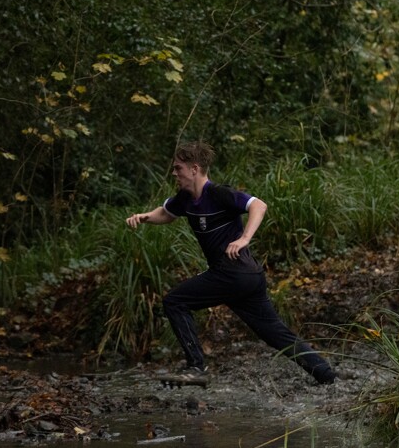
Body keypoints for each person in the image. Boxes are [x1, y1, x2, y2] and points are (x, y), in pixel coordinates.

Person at [125, 141, 337, 385]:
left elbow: (258, 205)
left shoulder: (218, 194)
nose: (174, 173)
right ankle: (326, 375)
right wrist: (144, 217)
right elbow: (165, 213)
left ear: (194, 169)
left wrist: (244, 238)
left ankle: (196, 367)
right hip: (245, 278)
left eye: (178, 168)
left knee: (174, 301)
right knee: (275, 334)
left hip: (234, 273)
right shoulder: (185, 198)